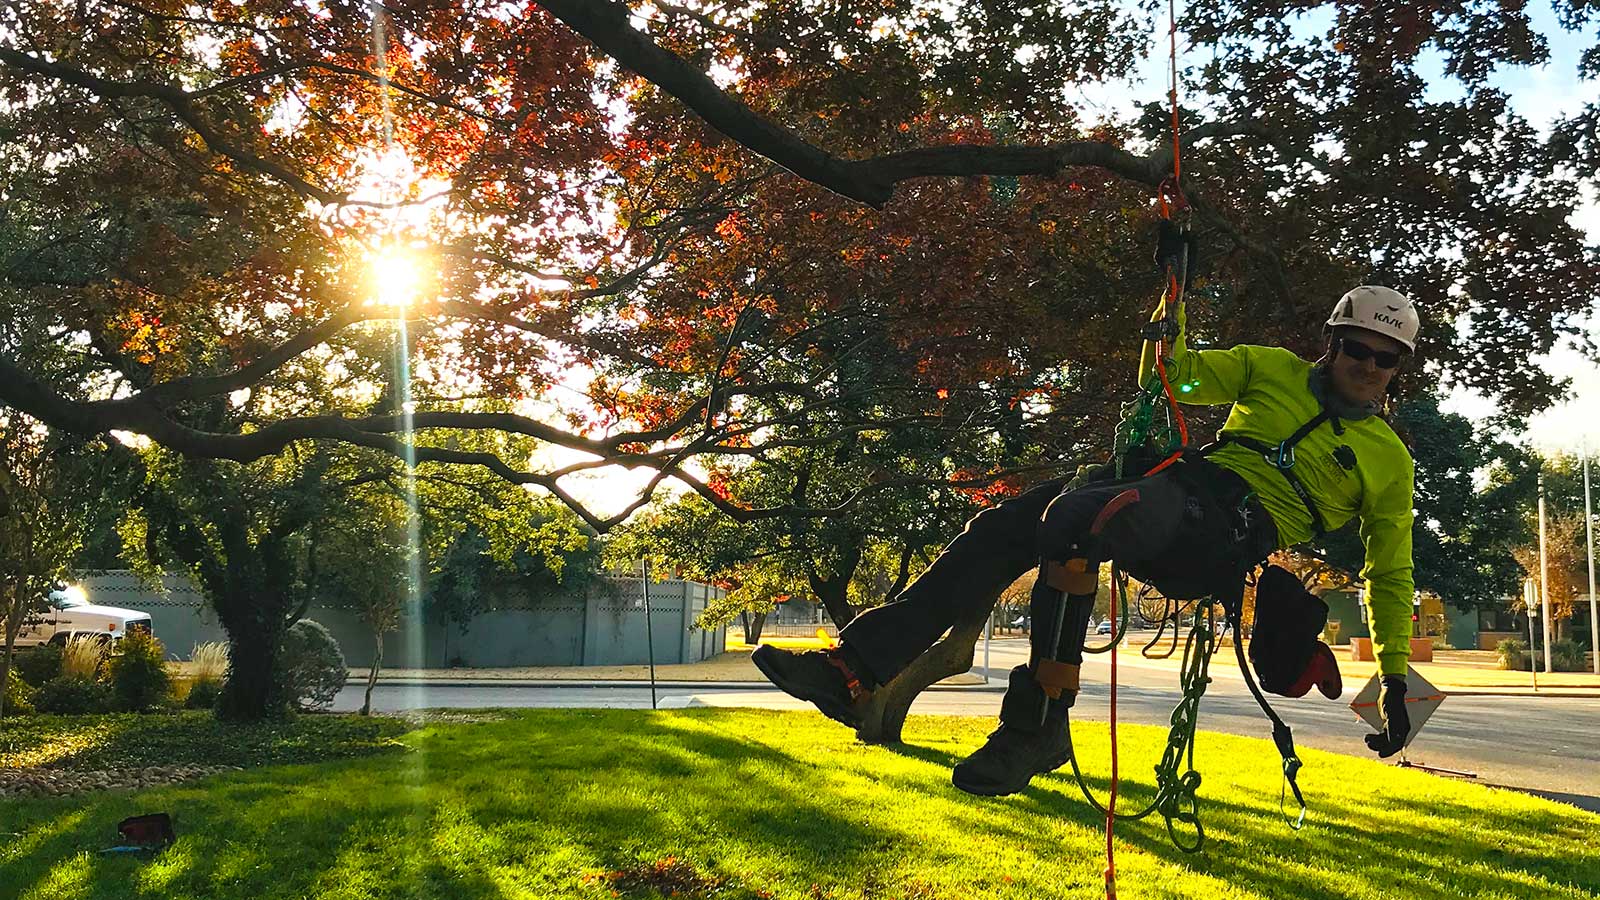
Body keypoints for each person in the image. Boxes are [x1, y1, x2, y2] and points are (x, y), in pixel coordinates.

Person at [752, 285, 1420, 796]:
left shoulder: (1387, 459)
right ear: (1332, 342)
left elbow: (1389, 573)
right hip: (1175, 487)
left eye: (1385, 359)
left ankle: (1035, 726)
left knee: (1077, 521)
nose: (1368, 365)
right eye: (1357, 348)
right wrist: (1172, 303)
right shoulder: (1268, 367)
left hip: (1222, 536)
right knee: (1004, 529)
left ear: (1399, 369)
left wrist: (1393, 674)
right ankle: (855, 671)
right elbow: (1171, 377)